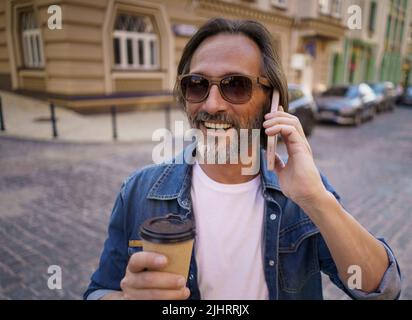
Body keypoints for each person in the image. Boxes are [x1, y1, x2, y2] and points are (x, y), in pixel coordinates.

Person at [84, 18, 401, 300]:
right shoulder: (139, 191)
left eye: (235, 85)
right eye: (197, 84)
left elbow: (383, 289)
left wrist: (317, 199)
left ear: (272, 100)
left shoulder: (304, 195)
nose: (211, 105)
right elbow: (98, 289)